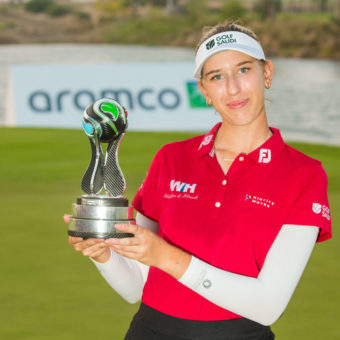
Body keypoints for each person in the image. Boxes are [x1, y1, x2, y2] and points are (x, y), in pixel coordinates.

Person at [67, 21, 332, 340]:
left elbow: (268, 306)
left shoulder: (304, 174)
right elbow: (135, 287)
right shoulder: (171, 159)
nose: (232, 88)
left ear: (267, 73)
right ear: (204, 91)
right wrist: (104, 255)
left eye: (244, 70)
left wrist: (167, 257)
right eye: (216, 77)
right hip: (149, 331)